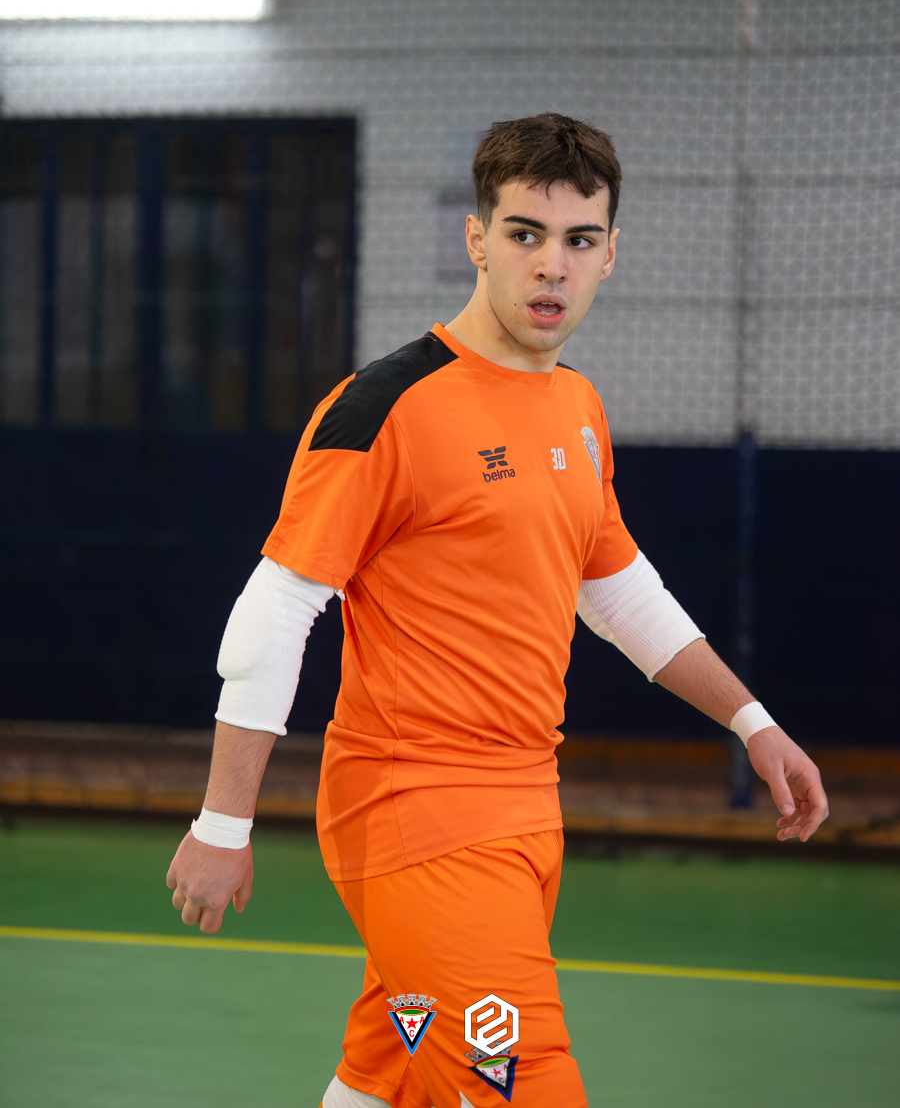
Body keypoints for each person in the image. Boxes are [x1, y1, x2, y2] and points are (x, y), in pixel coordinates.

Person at [166, 112, 828, 1108]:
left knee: (390, 1073)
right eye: (525, 234)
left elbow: (615, 588)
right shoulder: (384, 407)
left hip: (525, 807)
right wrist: (223, 822)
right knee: (525, 1083)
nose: (551, 265)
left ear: (611, 254)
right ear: (477, 240)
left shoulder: (578, 407)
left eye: (579, 240)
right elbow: (274, 612)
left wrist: (752, 721)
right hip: (416, 817)